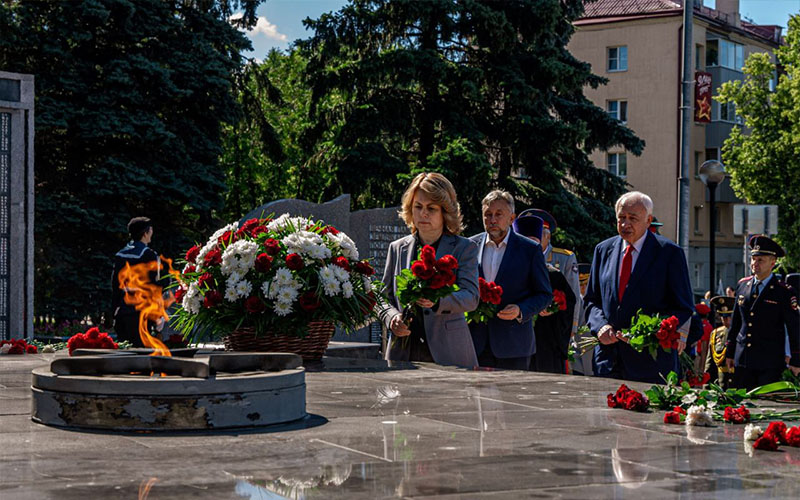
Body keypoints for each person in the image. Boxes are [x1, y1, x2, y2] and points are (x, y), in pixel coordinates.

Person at [584, 191, 694, 383]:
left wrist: (645, 333)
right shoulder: (603, 250)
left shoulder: (668, 253)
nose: (625, 224)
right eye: (621, 218)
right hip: (608, 361)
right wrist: (600, 326)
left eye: (632, 218)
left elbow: (683, 307)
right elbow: (592, 301)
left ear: (648, 220)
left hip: (650, 364)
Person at [378, 173, 480, 367]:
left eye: (431, 208)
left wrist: (439, 301)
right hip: (403, 351)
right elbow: (383, 297)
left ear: (445, 212)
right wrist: (392, 318)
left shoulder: (464, 248)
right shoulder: (397, 248)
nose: (423, 213)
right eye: (418, 207)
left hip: (449, 353)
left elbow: (471, 296)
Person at [467, 191, 551, 370]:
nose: (492, 219)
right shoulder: (469, 247)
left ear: (511, 218)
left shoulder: (530, 249)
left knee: (511, 398)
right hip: (475, 342)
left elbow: (544, 294)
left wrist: (521, 310)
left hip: (514, 346)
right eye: (488, 215)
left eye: (499, 214)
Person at [725, 236, 800, 389]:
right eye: (753, 259)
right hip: (743, 358)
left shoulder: (783, 291)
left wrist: (796, 359)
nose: (755, 264)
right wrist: (730, 351)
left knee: (766, 406)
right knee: (742, 407)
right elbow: (736, 322)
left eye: (761, 260)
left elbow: (795, 328)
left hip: (769, 361)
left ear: (773, 263)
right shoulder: (743, 285)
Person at [511, 214, 575, 373]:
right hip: (512, 341)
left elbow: (570, 303)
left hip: (545, 342)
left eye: (534, 242)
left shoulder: (553, 274)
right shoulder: (506, 271)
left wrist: (553, 309)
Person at [111, 217, 162, 347]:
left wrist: (114, 310)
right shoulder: (149, 255)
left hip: (123, 311)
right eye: (150, 230)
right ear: (145, 233)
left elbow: (115, 285)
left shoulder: (121, 255)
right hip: (142, 313)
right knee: (142, 355)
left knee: (125, 353)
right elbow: (153, 287)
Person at [704, 295, 735, 388]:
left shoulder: (744, 334)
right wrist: (707, 387)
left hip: (740, 385)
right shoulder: (716, 333)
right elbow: (710, 365)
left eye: (730, 316)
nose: (726, 320)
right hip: (721, 385)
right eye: (723, 316)